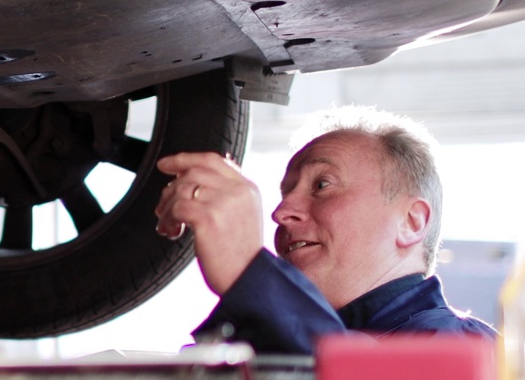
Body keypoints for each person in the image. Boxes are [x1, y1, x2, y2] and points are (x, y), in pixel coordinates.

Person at [153, 106, 495, 355]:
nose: (280, 212)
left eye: (322, 185)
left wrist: (249, 273)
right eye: (287, 192)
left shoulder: (467, 350)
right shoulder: (270, 355)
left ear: (411, 222)